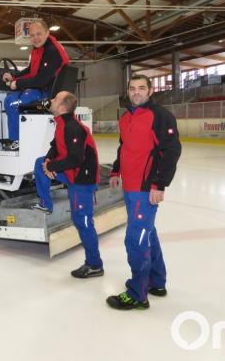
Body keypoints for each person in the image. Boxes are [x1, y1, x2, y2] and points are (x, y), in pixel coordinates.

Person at [105, 74, 182, 310]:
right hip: (130, 186)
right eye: (132, 88)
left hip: (145, 188)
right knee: (147, 234)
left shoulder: (160, 116)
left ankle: (138, 294)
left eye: (141, 88)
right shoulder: (126, 116)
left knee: (135, 240)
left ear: (150, 91)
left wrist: (159, 184)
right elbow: (124, 147)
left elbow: (171, 152)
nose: (136, 92)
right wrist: (116, 171)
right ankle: (156, 282)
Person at [32, 91, 103, 279]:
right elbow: (55, 146)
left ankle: (94, 264)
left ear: (62, 107)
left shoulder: (72, 127)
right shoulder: (61, 124)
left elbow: (76, 159)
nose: (51, 101)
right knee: (40, 164)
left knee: (83, 221)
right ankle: (46, 203)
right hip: (71, 173)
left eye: (55, 99)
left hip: (82, 179)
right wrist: (48, 161)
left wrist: (52, 166)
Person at [1, 19, 70, 151]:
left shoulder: (52, 51)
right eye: (32, 35)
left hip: (49, 97)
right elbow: (31, 70)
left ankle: (17, 141)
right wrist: (14, 77)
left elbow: (40, 81)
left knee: (13, 103)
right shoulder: (40, 49)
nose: (35, 38)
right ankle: (17, 139)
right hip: (42, 91)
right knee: (10, 98)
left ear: (47, 33)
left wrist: (18, 83)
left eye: (39, 34)